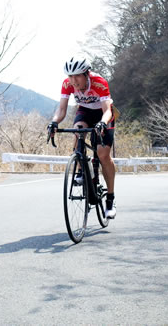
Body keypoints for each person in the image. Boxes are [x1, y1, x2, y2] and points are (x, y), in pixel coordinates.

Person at [47, 56, 117, 219]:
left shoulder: (99, 82)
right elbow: (62, 110)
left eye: (77, 76)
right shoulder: (67, 84)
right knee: (78, 131)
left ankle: (110, 200)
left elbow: (107, 110)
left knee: (103, 155)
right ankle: (80, 170)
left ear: (87, 74)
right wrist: (54, 122)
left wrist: (102, 123)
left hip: (103, 114)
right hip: (85, 111)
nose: (73, 80)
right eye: (70, 76)